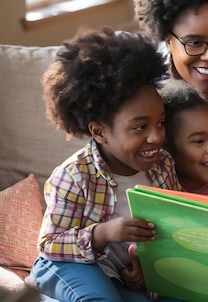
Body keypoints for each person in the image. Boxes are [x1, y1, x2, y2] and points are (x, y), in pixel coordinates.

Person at [30, 27, 183, 301]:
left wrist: (144, 268)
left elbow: (172, 227)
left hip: (119, 272)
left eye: (160, 122)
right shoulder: (73, 176)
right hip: (68, 262)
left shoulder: (164, 165)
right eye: (140, 127)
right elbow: (50, 245)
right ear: (99, 131)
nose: (156, 136)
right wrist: (102, 233)